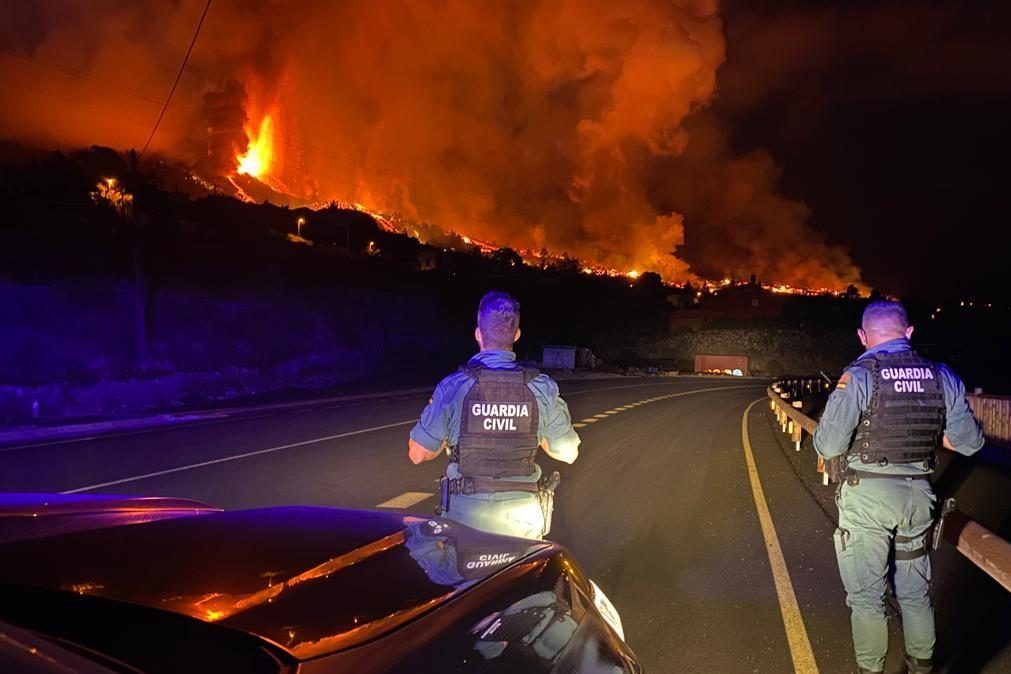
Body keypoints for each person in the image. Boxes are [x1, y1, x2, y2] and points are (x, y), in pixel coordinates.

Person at [814, 300, 984, 674]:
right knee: (914, 592)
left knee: (866, 598)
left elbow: (828, 446)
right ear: (909, 333)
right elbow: (971, 443)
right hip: (918, 499)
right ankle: (922, 666)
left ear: (863, 337)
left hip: (867, 500)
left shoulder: (859, 376)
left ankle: (871, 669)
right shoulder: (943, 376)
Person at [408, 291, 580, 539]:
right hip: (523, 523)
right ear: (517, 335)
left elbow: (417, 453)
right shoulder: (542, 388)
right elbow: (568, 453)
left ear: (478, 334)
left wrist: (449, 436)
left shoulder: (453, 387)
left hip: (464, 523)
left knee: (420, 553)